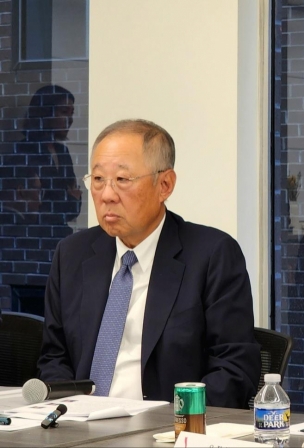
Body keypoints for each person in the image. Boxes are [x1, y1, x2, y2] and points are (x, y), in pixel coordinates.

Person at [37, 119, 261, 408]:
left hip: (168, 427)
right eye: (98, 180)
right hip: (80, 425)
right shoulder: (72, 254)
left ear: (164, 184)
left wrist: (173, 421)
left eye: (122, 180)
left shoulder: (211, 255)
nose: (106, 195)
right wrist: (69, 412)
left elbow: (234, 370)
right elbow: (54, 357)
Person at [17, 84, 82, 238]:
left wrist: (68, 200)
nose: (70, 120)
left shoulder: (62, 152)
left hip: (62, 236)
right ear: (45, 112)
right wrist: (68, 198)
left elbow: (74, 208)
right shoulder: (24, 150)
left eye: (71, 113)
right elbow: (32, 209)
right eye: (64, 112)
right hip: (35, 238)